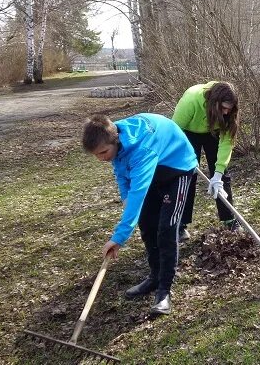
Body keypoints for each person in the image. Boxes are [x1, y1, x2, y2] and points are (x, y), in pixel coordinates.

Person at [82, 113, 197, 315]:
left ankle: (164, 292)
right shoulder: (112, 136)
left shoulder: (141, 149)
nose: (101, 158)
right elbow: (120, 170)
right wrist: (125, 196)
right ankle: (154, 277)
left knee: (167, 229)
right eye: (96, 155)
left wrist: (118, 238)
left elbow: (138, 193)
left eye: (103, 152)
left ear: (115, 140)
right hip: (154, 166)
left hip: (177, 167)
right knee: (146, 224)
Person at [172, 81, 240, 239]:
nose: (225, 113)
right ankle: (180, 225)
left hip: (213, 132)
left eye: (229, 110)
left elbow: (226, 143)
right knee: (187, 177)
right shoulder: (191, 100)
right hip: (187, 132)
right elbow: (174, 131)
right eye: (223, 108)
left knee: (222, 178)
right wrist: (185, 156)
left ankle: (229, 220)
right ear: (213, 103)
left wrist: (217, 173)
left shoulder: (228, 114)